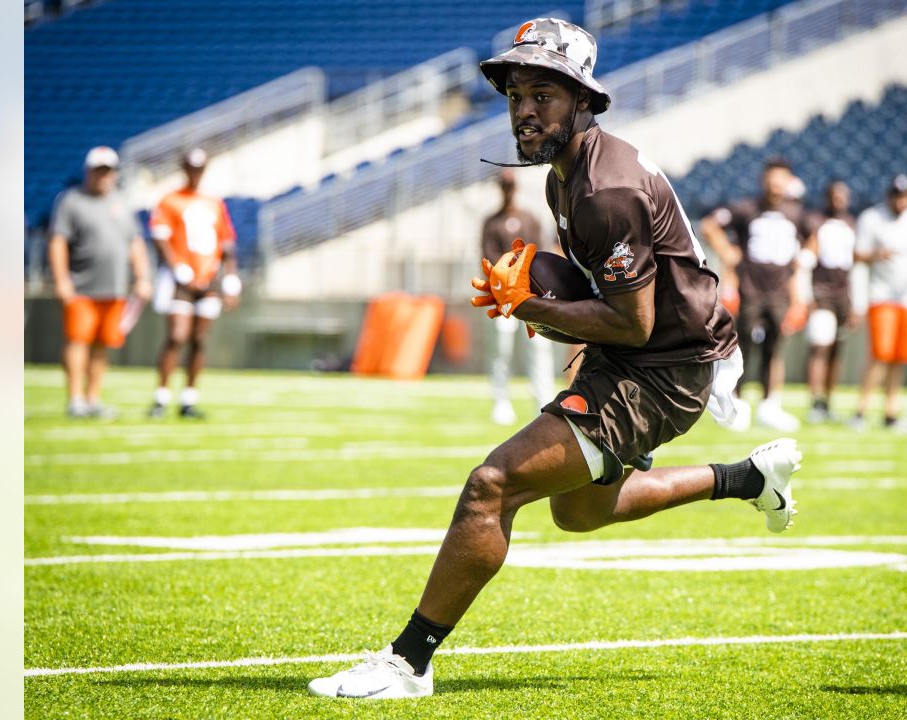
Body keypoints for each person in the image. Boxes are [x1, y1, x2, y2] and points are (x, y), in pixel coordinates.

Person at [309, 18, 802, 701]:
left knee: (492, 484)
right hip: (647, 357)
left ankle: (408, 662)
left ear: (583, 99)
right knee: (579, 514)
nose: (524, 109)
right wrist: (546, 281)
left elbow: (634, 321)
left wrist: (529, 306)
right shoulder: (565, 176)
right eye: (516, 94)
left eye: (543, 92)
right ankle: (747, 479)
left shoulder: (605, 188)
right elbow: (609, 294)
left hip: (662, 370)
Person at [700, 159, 806, 432]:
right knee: (743, 346)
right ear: (764, 181)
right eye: (772, 180)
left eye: (781, 180)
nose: (776, 186)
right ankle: (737, 402)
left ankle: (770, 404)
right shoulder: (746, 208)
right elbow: (710, 226)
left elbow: (811, 239)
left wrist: (800, 284)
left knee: (774, 348)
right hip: (750, 291)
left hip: (780, 292)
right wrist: (726, 252)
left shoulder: (795, 213)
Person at [47, 146, 152, 418]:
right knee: (77, 340)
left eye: (108, 171)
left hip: (114, 287)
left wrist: (142, 277)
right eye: (98, 171)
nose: (103, 176)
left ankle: (93, 398)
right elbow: (58, 241)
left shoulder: (120, 203)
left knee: (102, 344)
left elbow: (135, 243)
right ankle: (75, 399)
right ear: (88, 172)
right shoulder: (71, 201)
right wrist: (61, 280)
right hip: (81, 285)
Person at [147, 148, 241, 419]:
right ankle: (161, 398)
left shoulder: (214, 202)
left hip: (208, 277)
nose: (195, 173)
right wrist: (178, 269)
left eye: (199, 168)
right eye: (191, 167)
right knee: (176, 336)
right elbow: (160, 237)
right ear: (183, 168)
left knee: (199, 339)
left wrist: (231, 279)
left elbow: (227, 245)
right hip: (182, 280)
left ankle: (188, 399)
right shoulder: (170, 200)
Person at [848, 174, 907, 430]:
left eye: (905, 196)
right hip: (882, 293)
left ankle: (891, 411)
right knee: (880, 354)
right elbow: (858, 253)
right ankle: (861, 410)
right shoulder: (872, 218)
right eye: (897, 196)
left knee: (900, 357)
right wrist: (877, 254)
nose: (900, 202)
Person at [482, 169, 558, 425]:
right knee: (500, 347)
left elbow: (539, 256)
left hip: (529, 296)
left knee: (538, 347)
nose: (508, 190)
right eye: (504, 185)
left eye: (510, 185)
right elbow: (490, 260)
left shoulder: (530, 220)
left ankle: (542, 401)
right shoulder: (491, 222)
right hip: (503, 298)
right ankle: (501, 401)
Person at [800, 180, 857, 424]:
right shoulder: (816, 221)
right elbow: (805, 259)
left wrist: (856, 302)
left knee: (836, 349)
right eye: (835, 195)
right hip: (822, 291)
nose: (839, 199)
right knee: (820, 346)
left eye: (843, 195)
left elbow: (855, 263)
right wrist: (807, 295)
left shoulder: (852, 224)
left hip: (843, 294)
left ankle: (829, 401)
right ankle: (816, 402)